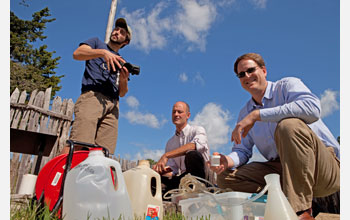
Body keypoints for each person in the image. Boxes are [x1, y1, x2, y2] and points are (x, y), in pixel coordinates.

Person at [209, 53, 340, 220]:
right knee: (225, 178)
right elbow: (242, 151)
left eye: (250, 70)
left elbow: (312, 108)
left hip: (323, 169)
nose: (247, 76)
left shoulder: (286, 86)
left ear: (263, 70)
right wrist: (227, 160)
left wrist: (258, 115)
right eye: (241, 74)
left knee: (288, 126)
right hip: (283, 171)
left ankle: (300, 212)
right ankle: (277, 206)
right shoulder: (244, 113)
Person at [60, 18, 132, 155]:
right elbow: (77, 54)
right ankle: (57, 175)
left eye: (122, 32)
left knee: (103, 153)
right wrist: (103, 52)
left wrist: (124, 79)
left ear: (126, 41)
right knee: (79, 143)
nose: (117, 32)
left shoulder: (122, 61)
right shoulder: (96, 42)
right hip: (92, 96)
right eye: (116, 29)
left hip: (113, 104)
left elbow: (123, 92)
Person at [153, 101, 210, 195]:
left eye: (179, 112)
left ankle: (199, 192)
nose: (176, 114)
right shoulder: (170, 143)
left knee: (192, 154)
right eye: (174, 112)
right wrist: (160, 171)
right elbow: (173, 170)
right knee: (155, 179)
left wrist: (166, 155)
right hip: (184, 178)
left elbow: (195, 146)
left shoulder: (197, 130)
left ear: (188, 115)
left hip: (202, 177)